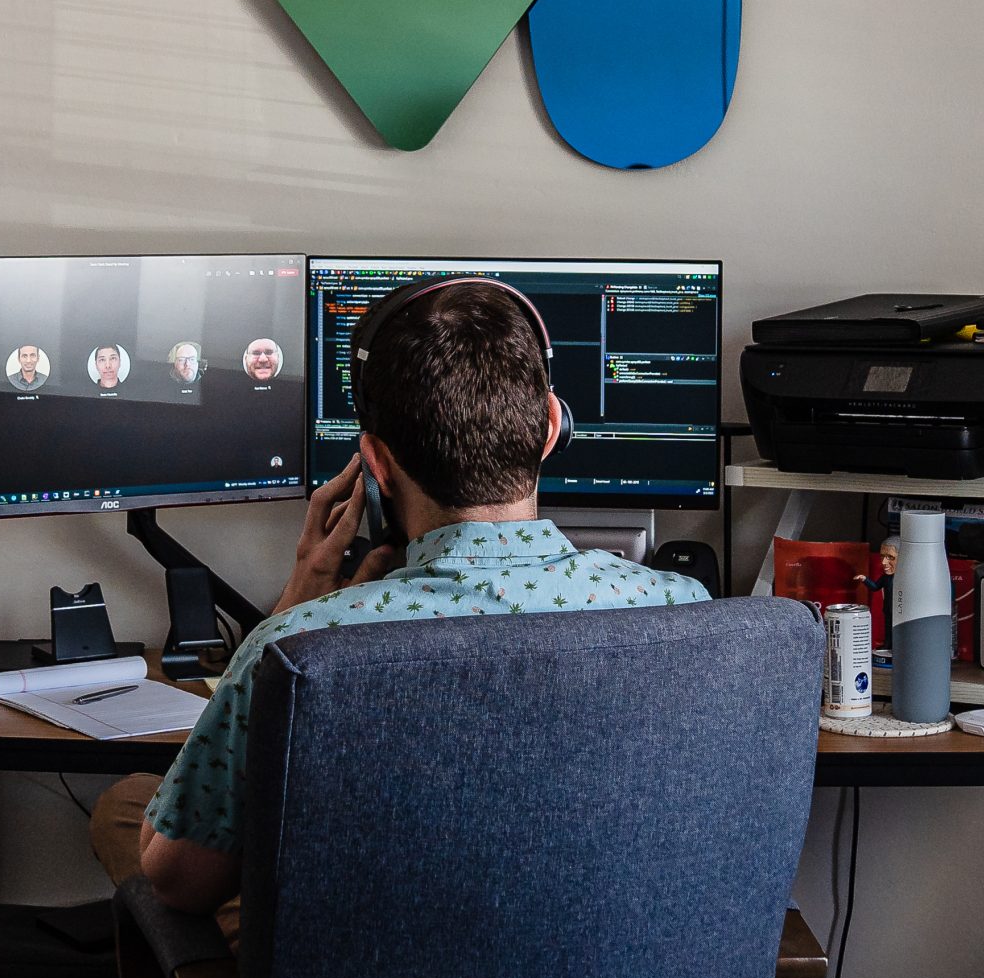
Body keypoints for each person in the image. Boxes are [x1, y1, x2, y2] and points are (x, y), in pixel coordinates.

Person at [90, 283, 705, 931]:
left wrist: (295, 601)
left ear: (376, 464)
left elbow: (179, 882)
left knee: (130, 812)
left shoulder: (301, 646)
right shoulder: (680, 612)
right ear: (551, 427)